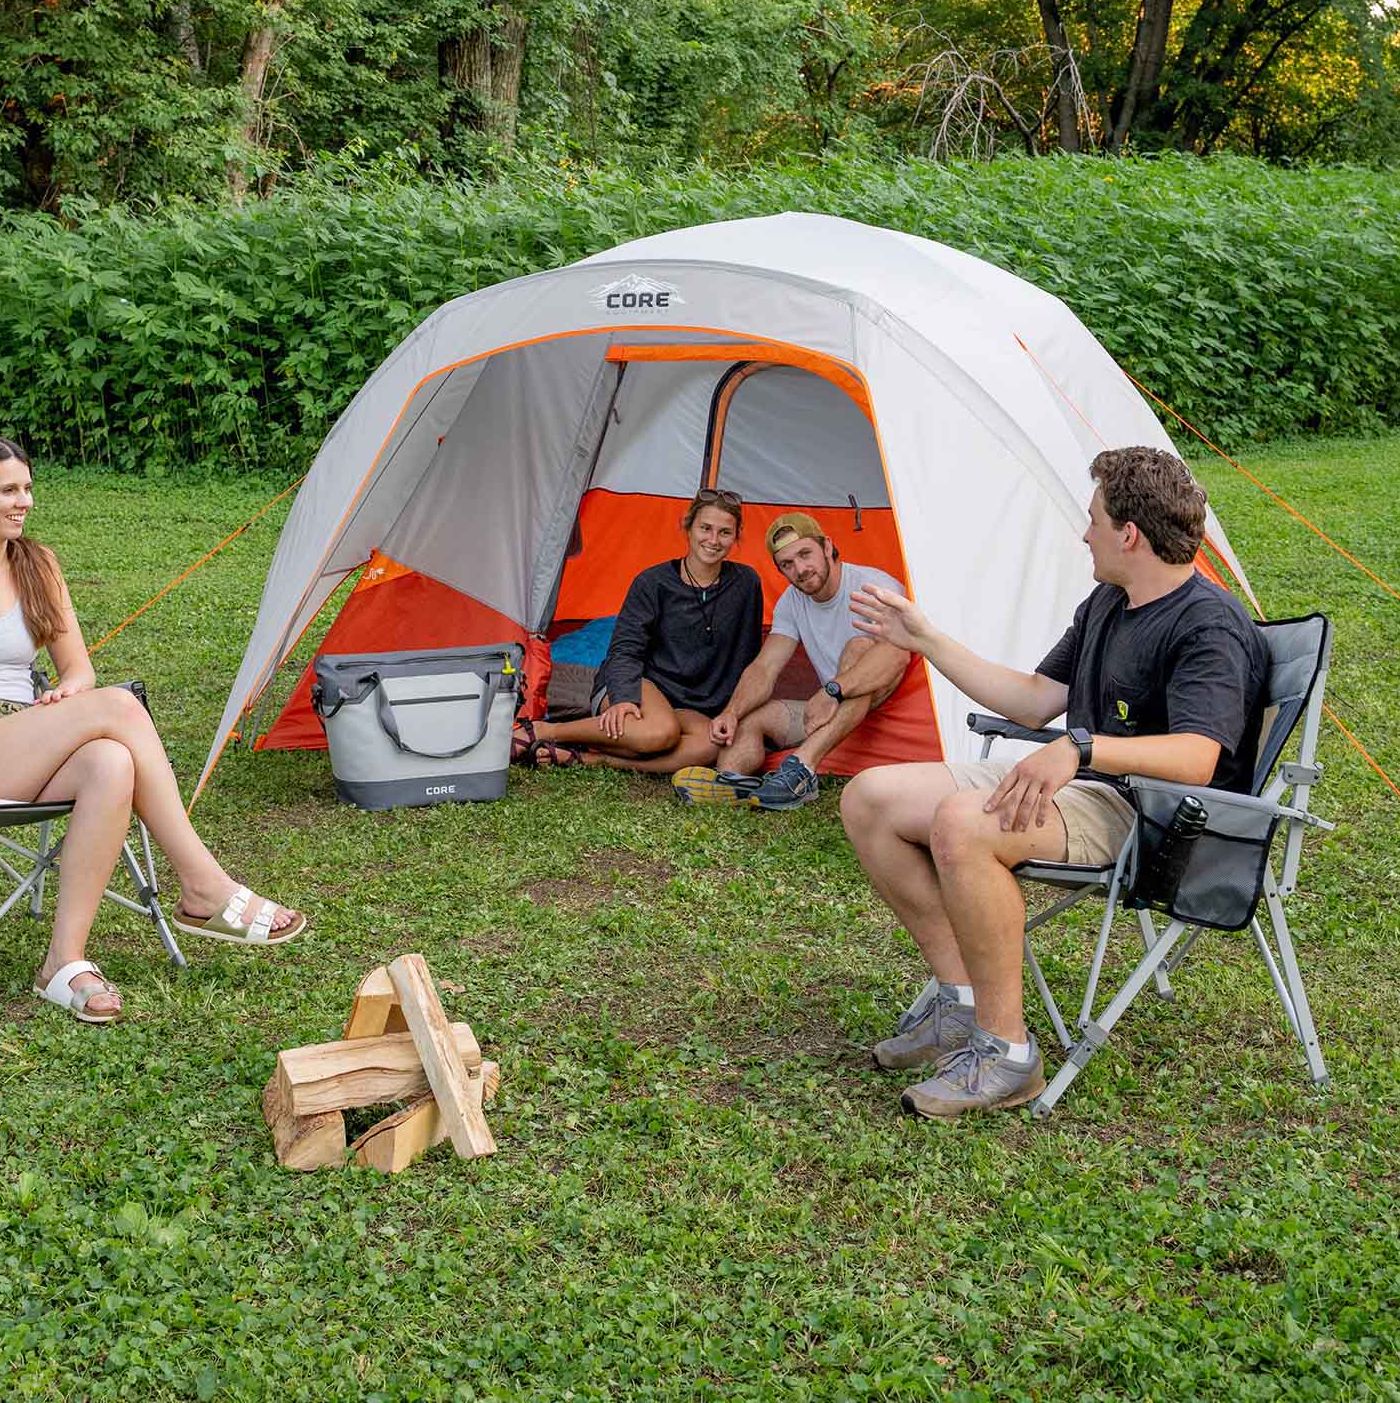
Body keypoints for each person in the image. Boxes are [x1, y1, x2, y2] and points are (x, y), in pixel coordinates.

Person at [840, 446, 1266, 1118]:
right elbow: (1036, 699)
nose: (1084, 531)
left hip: (1149, 811)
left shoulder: (1206, 624)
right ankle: (962, 1000)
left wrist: (1083, 746)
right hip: (1083, 781)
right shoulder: (1110, 600)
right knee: (871, 798)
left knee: (962, 823)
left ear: (1130, 533)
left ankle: (1007, 1056)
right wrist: (927, 639)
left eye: (1093, 518)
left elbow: (1198, 758)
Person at [0, 435, 306, 1025]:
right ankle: (204, 885)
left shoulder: (38, 567)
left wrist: (69, 691)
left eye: (27, 488)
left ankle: (62, 961)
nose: (23, 501)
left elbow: (77, 669)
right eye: (7, 490)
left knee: (111, 762)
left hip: (22, 731)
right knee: (121, 709)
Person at [672, 512, 911, 811]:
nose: (800, 569)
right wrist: (732, 712)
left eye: (805, 554)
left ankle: (802, 771)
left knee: (859, 646)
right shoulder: (791, 601)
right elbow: (765, 667)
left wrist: (832, 690)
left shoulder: (873, 587)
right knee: (752, 720)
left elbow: (898, 654)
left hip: (881, 705)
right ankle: (732, 785)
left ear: (827, 546)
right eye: (787, 563)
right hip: (833, 707)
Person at [513, 488, 764, 772]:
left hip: (690, 703)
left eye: (725, 532)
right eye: (705, 528)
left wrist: (734, 711)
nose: (713, 540)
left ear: (736, 536)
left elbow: (748, 655)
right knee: (659, 733)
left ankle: (590, 758)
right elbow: (625, 649)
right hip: (639, 681)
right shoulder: (652, 582)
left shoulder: (746, 584)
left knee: (709, 745)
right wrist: (622, 699)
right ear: (688, 526)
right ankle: (547, 731)